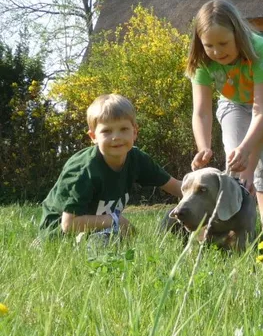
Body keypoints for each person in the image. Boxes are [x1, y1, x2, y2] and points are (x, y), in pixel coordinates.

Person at [185, 0, 263, 231]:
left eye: (223, 43)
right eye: (208, 45)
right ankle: (235, 228)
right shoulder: (202, 61)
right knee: (235, 161)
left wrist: (248, 151)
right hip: (234, 102)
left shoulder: (260, 51)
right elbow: (201, 111)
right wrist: (204, 147)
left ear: (237, 34)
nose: (216, 51)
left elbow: (261, 110)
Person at [39, 94, 183, 237]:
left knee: (178, 215)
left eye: (123, 129)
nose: (116, 137)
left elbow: (177, 187)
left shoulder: (137, 159)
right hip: (61, 234)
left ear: (135, 132)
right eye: (107, 131)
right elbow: (68, 224)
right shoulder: (84, 170)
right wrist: (115, 220)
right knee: (106, 241)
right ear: (93, 137)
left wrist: (202, 195)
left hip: (101, 228)